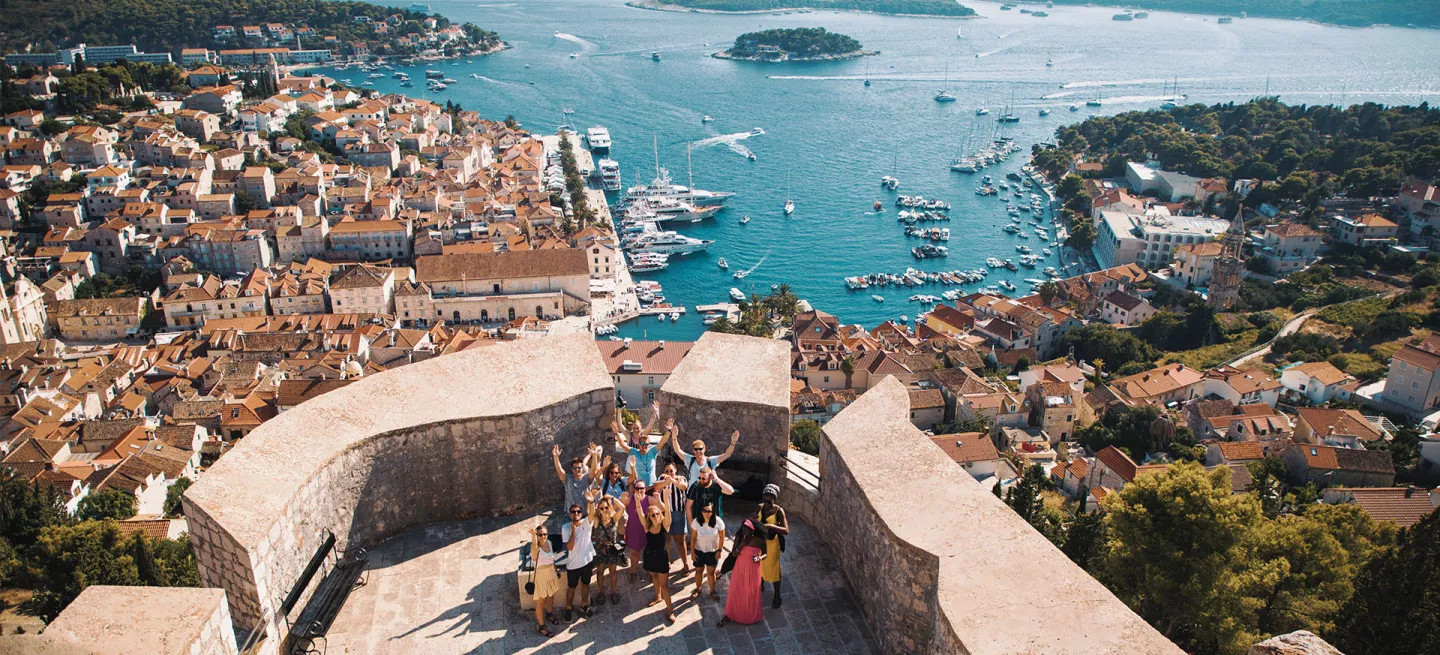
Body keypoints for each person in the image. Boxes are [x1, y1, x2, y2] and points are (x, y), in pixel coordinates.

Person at [638, 477, 678, 624]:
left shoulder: (665, 525)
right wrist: (637, 501)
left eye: (656, 514)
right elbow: (639, 513)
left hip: (661, 557)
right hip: (649, 556)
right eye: (652, 515)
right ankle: (657, 597)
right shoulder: (647, 527)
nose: (655, 516)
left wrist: (666, 499)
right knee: (653, 577)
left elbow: (668, 512)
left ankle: (670, 610)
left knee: (665, 585)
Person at [716, 518, 766, 626]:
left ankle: (748, 614)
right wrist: (742, 545)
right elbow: (734, 554)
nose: (744, 533)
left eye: (747, 531)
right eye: (743, 530)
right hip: (740, 566)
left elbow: (765, 554)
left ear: (752, 531)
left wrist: (759, 558)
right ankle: (730, 614)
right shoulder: (739, 537)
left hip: (753, 568)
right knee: (736, 589)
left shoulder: (759, 540)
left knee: (750, 591)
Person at [561, 488, 598, 621]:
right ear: (570, 514)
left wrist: (591, 501)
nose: (576, 514)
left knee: (586, 584)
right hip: (573, 564)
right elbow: (570, 547)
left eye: (578, 512)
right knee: (571, 587)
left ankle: (584, 605)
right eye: (573, 512)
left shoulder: (587, 524)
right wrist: (573, 531)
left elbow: (592, 513)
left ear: (581, 513)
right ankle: (568, 607)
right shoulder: (565, 528)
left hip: (587, 561)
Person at [611, 403, 671, 486]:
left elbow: (651, 425)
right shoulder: (629, 436)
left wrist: (655, 412)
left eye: (638, 428)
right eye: (634, 428)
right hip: (632, 459)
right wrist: (619, 411)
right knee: (632, 481)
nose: (636, 430)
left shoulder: (644, 435)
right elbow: (620, 427)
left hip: (643, 461)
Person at [670, 424, 740, 485]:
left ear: (704, 449)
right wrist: (674, 438)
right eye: (696, 449)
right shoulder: (690, 460)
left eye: (700, 449)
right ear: (693, 451)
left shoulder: (710, 461)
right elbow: (678, 450)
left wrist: (733, 443)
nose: (698, 451)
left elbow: (726, 454)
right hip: (692, 495)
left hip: (705, 495)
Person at [755, 484, 790, 608]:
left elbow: (786, 530)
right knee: (760, 565)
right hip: (760, 542)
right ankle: (761, 583)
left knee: (774, 569)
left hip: (772, 544)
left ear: (774, 499)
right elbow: (752, 520)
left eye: (770, 500)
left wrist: (771, 526)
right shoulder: (759, 508)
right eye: (765, 499)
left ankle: (777, 595)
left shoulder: (779, 511)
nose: (767, 503)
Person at [590, 493, 626, 607]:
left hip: (612, 549)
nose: (604, 510)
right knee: (600, 572)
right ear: (598, 509)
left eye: (606, 507)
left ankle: (613, 592)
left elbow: (622, 507)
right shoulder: (596, 521)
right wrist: (591, 501)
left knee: (613, 572)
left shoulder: (614, 518)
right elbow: (590, 513)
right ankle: (601, 592)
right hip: (601, 549)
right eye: (602, 508)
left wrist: (612, 498)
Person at [656, 463, 690, 574]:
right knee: (666, 540)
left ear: (675, 470)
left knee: (680, 541)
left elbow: (683, 487)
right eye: (667, 471)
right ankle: (667, 561)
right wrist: (666, 480)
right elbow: (656, 486)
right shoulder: (661, 478)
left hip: (678, 514)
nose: (669, 473)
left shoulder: (681, 479)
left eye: (671, 470)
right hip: (665, 514)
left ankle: (685, 564)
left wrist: (672, 480)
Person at [529, 525, 561, 637]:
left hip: (551, 573)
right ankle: (541, 626)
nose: (543, 536)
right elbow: (533, 545)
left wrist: (556, 570)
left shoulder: (550, 543)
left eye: (545, 534)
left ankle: (549, 613)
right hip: (541, 576)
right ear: (537, 536)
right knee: (541, 601)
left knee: (551, 595)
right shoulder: (535, 548)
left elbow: (551, 559)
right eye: (540, 534)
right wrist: (533, 536)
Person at [689, 502, 726, 601]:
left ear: (713, 512)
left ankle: (712, 590)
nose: (707, 513)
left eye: (709, 511)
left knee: (711, 572)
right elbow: (692, 538)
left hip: (712, 551)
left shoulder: (718, 521)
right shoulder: (696, 521)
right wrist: (692, 552)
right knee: (698, 571)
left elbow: (722, 537)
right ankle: (698, 589)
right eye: (704, 511)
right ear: (701, 511)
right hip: (699, 551)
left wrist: (719, 550)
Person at [552, 443, 601, 516]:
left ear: (582, 468)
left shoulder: (587, 478)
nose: (577, 470)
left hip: (584, 513)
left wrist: (594, 455)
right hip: (571, 514)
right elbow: (560, 471)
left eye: (579, 468)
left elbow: (593, 471)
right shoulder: (568, 479)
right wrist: (556, 457)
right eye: (575, 468)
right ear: (572, 469)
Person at [620, 476, 651, 583]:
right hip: (633, 530)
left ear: (645, 489)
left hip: (646, 531)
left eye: (641, 488)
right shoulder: (630, 499)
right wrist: (622, 500)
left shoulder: (649, 499)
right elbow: (622, 506)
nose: (639, 490)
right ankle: (633, 572)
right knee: (634, 554)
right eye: (637, 488)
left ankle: (649, 571)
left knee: (647, 552)